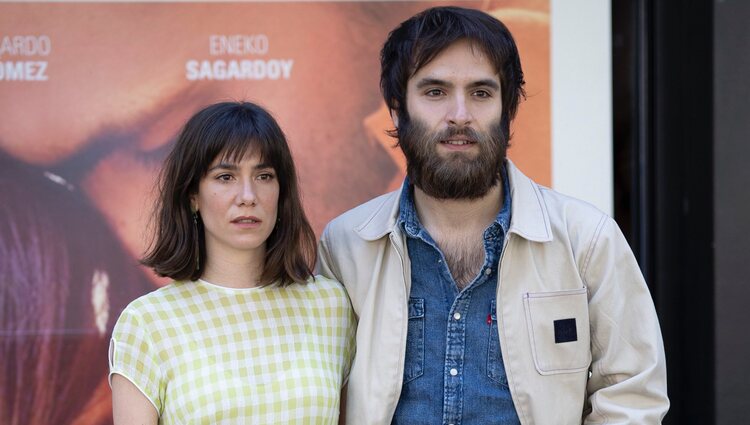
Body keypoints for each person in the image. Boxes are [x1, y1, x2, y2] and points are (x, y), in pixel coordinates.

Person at [317, 6, 668, 425]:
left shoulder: (586, 239)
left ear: (508, 110)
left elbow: (633, 395)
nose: (460, 114)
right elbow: (321, 396)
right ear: (397, 109)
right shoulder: (346, 246)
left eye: (481, 93)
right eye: (435, 92)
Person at [109, 101, 355, 424]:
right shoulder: (146, 323)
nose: (248, 195)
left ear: (282, 192)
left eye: (264, 175)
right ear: (192, 196)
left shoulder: (331, 305)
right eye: (226, 177)